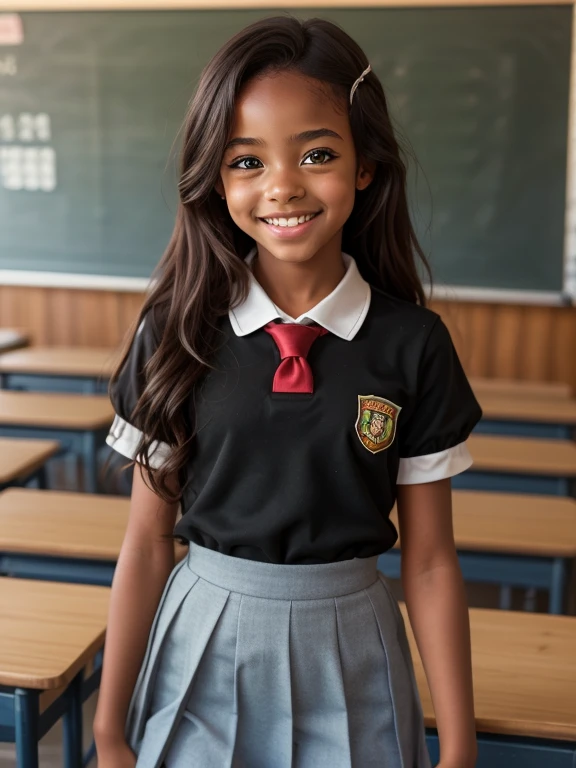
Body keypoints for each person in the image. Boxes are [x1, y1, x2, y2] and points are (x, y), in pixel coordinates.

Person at [94, 15, 482, 768]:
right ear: (214, 175)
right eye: (245, 161)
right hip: (203, 637)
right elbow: (145, 544)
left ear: (365, 165)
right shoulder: (175, 333)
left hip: (355, 646)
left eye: (317, 153)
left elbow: (431, 560)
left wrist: (459, 745)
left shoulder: (414, 345)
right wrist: (110, 732)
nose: (282, 186)